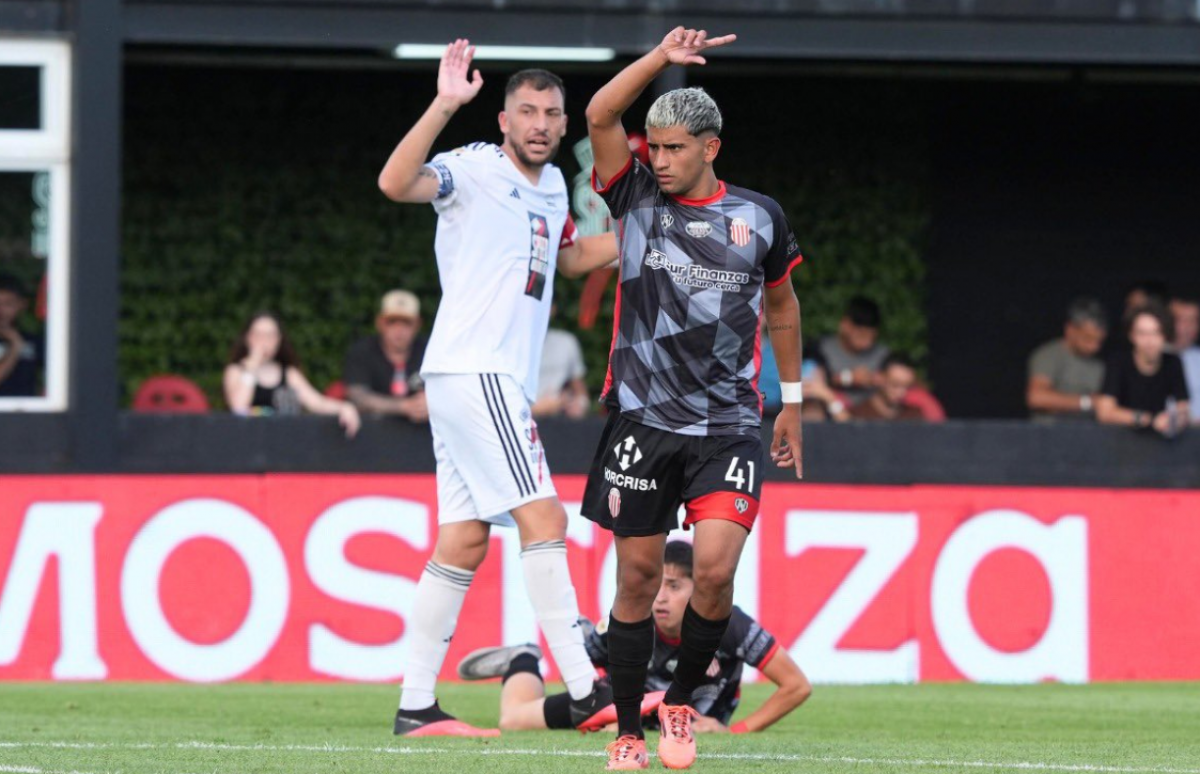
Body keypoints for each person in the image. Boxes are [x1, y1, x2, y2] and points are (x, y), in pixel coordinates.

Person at [376, 41, 621, 737]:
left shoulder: (550, 188)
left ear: (564, 124)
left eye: (551, 113)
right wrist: (444, 104)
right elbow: (396, 183)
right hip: (477, 371)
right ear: (504, 120)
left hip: (469, 378)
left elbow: (571, 260)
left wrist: (653, 231)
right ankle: (582, 689)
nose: (540, 123)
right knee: (545, 521)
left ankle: (417, 706)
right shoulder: (472, 167)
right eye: (527, 111)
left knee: (462, 541)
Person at [582, 26, 805, 770]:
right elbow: (597, 118)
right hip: (642, 420)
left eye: (675, 147)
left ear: (712, 146)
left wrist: (794, 403)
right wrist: (658, 59)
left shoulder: (759, 218)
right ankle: (626, 732)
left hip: (729, 425)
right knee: (639, 579)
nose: (660, 159)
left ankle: (679, 702)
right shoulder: (635, 195)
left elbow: (783, 309)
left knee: (712, 569)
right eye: (655, 145)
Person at [457, 541, 811, 735]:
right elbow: (579, 666)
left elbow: (796, 686)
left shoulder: (729, 624)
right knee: (513, 721)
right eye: (657, 586)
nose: (660, 597)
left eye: (673, 587)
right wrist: (604, 710)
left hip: (671, 722)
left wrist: (734, 732)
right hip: (616, 708)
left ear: (700, 587)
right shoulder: (631, 619)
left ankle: (523, 660)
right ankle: (524, 659)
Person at [223, 311, 361, 437]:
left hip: (283, 442)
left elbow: (316, 403)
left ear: (279, 340)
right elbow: (238, 407)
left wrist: (344, 407)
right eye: (258, 335)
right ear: (247, 338)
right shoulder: (235, 371)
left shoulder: (289, 374)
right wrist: (252, 367)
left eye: (270, 335)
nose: (264, 341)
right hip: (247, 442)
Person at [1096, 304, 1190, 436]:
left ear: (1165, 335)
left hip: (1162, 445)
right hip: (1119, 439)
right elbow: (1104, 412)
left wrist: (1174, 421)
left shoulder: (1172, 363)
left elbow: (1183, 408)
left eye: (1156, 332)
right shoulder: (1119, 361)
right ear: (1131, 335)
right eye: (1142, 333)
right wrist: (1146, 419)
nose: (1149, 341)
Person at [343, 290, 429, 422]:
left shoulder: (429, 351)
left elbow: (450, 391)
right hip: (371, 434)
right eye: (392, 321)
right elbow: (357, 396)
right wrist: (404, 406)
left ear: (417, 325)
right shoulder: (362, 351)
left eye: (407, 322)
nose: (399, 330)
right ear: (380, 323)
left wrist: (432, 402)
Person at [1026, 298, 1108, 420]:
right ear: (1070, 330)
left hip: (1088, 434)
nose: (1094, 347)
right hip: (1051, 434)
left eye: (1099, 341)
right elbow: (1036, 398)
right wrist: (1087, 402)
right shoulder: (1049, 356)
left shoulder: (1100, 364)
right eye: (1087, 339)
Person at [814, 296, 889, 406]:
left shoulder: (883, 355)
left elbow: (906, 381)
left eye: (871, 337)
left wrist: (884, 380)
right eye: (861, 335)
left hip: (873, 417)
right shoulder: (822, 349)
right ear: (845, 325)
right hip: (831, 414)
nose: (867, 343)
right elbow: (811, 384)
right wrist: (848, 377)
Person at [808, 353, 924, 422]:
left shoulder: (915, 416)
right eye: (895, 384)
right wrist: (830, 398)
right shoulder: (859, 413)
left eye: (907, 386)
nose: (901, 392)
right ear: (879, 378)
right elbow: (851, 433)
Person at [533, 307, 589, 419]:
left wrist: (580, 403)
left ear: (553, 309)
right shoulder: (508, 344)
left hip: (559, 419)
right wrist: (538, 409)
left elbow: (578, 387)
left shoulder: (566, 342)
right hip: (522, 421)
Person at [0, 273, 43, 398]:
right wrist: (15, 347)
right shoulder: (19, 341)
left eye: (8, 304)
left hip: (27, 412)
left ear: (22, 305)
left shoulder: (33, 341)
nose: (1, 310)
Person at [1168, 294, 1200, 423]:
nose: (1184, 328)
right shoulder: (1150, 356)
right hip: (1153, 439)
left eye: (1191, 321)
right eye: (1179, 320)